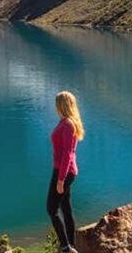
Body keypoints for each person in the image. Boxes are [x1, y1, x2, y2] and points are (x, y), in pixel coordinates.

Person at [47, 90, 84, 253]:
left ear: (62, 105)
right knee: (65, 208)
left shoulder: (68, 124)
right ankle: (71, 245)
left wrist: (60, 180)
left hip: (64, 172)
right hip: (64, 170)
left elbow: (68, 154)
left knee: (51, 209)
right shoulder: (66, 122)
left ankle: (65, 246)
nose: (55, 107)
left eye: (57, 103)